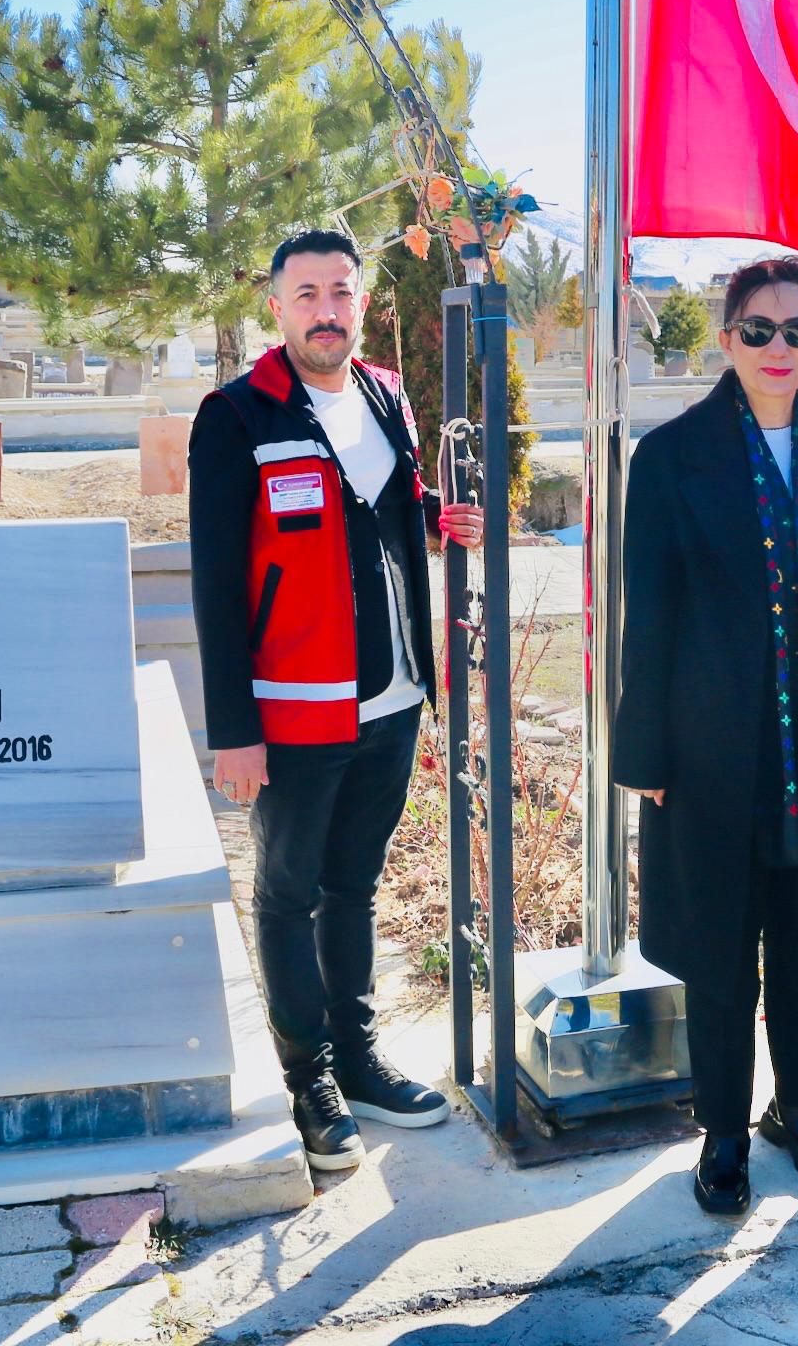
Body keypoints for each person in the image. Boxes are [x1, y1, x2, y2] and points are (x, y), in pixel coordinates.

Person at [190, 228, 483, 1174]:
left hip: (392, 696)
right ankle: (307, 1076)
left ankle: (357, 1059)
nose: (327, 309)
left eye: (342, 292)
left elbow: (383, 507)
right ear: (275, 306)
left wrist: (442, 513)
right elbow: (215, 583)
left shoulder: (383, 392)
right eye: (308, 292)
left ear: (360, 301)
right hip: (294, 709)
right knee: (286, 895)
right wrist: (234, 732)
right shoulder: (235, 416)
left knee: (353, 884)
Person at [613, 255, 798, 1217]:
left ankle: (796, 1110)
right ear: (727, 339)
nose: (778, 347)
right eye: (758, 329)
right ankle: (723, 1130)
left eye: (797, 330)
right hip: (714, 754)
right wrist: (643, 755)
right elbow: (651, 615)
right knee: (724, 951)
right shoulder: (673, 456)